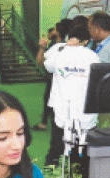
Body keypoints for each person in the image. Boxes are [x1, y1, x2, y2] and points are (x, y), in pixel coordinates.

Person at [41, 27, 99, 166]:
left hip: (63, 110)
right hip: (82, 110)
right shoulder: (92, 56)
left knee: (57, 148)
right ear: (85, 41)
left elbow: (47, 64)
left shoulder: (59, 51)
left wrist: (64, 46)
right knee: (81, 150)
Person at [37, 18, 75, 163]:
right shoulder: (55, 46)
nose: (51, 31)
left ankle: (55, 159)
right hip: (54, 86)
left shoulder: (60, 48)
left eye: (54, 29)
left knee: (59, 126)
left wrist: (42, 47)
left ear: (59, 31)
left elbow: (39, 62)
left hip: (59, 91)